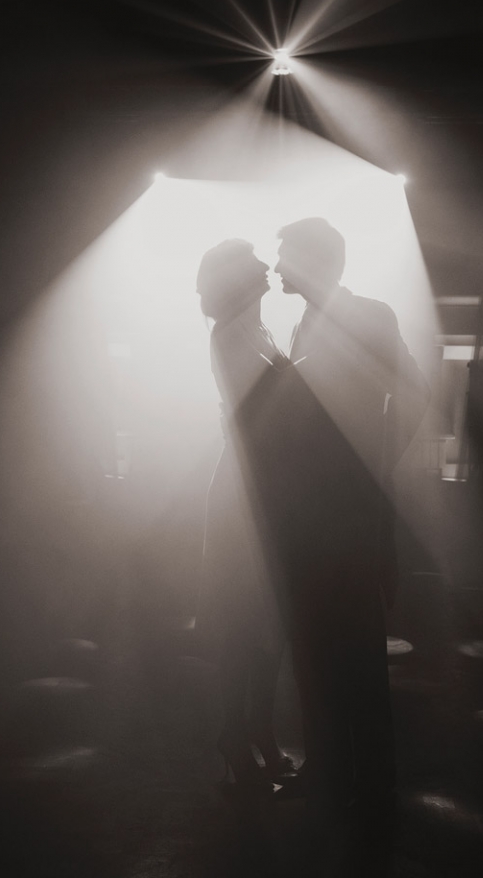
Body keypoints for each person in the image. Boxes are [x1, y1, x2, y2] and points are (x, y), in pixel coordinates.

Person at [273, 217, 430, 824]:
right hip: (311, 513)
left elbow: (414, 390)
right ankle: (333, 770)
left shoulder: (369, 317)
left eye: (287, 256)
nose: (278, 266)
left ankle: (371, 783)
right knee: (316, 648)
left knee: (355, 652)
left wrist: (375, 467)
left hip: (345, 515)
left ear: (317, 262)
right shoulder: (310, 321)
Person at [195, 239, 296, 788]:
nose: (265, 265)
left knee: (270, 623)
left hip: (266, 485)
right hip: (244, 490)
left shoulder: (259, 331)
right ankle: (238, 731)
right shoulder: (230, 336)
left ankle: (258, 727)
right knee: (243, 619)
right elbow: (265, 411)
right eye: (253, 261)